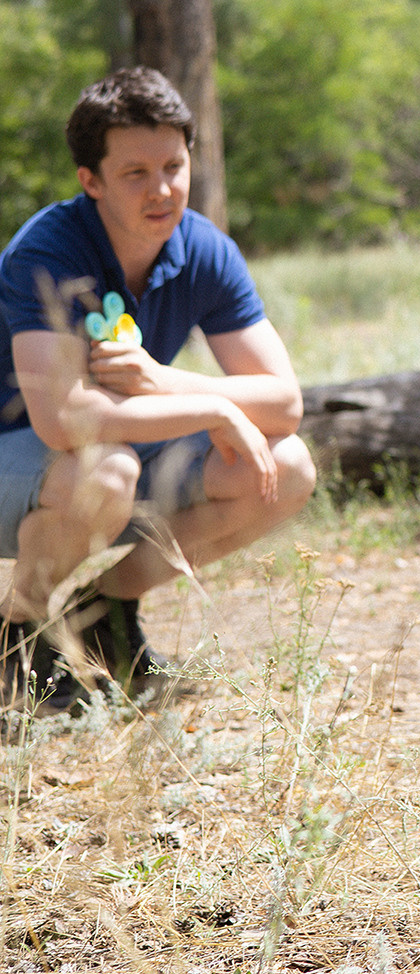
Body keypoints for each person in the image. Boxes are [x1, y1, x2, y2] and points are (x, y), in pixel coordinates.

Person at [0, 67, 316, 707]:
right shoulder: (49, 250)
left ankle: (103, 624)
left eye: (174, 166)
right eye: (135, 174)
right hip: (20, 454)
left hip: (107, 448)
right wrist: (215, 409)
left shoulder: (206, 250)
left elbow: (285, 402)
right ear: (91, 181)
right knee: (106, 471)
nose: (162, 190)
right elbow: (63, 421)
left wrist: (164, 381)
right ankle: (13, 639)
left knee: (286, 466)